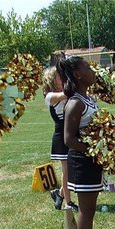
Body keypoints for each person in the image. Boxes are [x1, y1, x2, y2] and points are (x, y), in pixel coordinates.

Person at [57, 55, 115, 229]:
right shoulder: (74, 102)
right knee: (86, 210)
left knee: (90, 210)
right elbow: (69, 139)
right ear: (78, 74)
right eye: (88, 68)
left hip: (92, 160)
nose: (93, 72)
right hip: (82, 162)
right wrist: (95, 148)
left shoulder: (87, 98)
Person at [42, 66, 77, 211]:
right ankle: (68, 203)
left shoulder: (65, 91)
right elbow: (67, 94)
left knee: (71, 170)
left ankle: (60, 194)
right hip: (61, 137)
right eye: (58, 76)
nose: (61, 77)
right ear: (51, 79)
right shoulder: (50, 96)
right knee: (67, 171)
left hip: (71, 133)